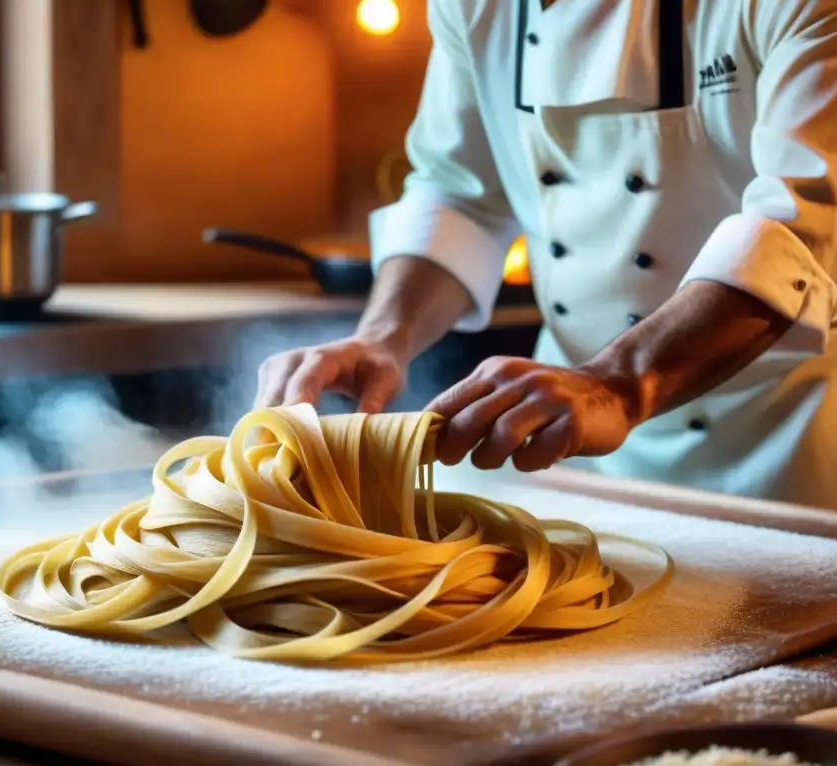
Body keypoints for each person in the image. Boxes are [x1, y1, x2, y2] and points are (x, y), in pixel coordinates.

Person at [256, 0, 837, 509]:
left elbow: (800, 228)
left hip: (781, 447)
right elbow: (460, 190)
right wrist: (383, 336)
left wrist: (617, 383)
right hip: (569, 451)